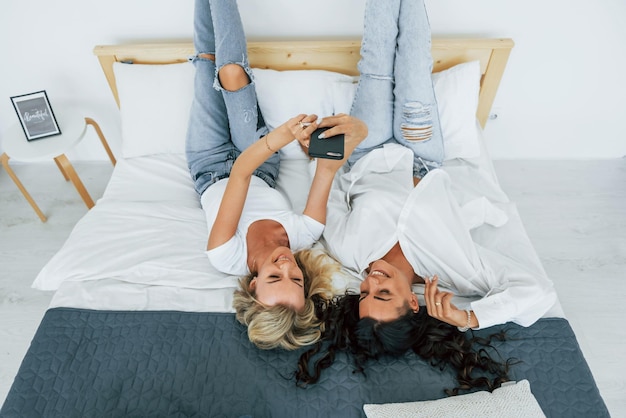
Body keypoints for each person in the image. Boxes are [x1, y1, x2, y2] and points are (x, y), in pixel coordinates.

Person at [296, 0, 557, 393]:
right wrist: (470, 317)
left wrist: (315, 153)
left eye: (366, 292)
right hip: (422, 155)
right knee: (414, 62)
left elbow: (327, 191)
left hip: (368, 150)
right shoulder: (455, 269)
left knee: (377, 62)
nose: (372, 279)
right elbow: (539, 293)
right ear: (413, 303)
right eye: (384, 292)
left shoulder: (349, 253)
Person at [185, 0, 367, 350]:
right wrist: (326, 139)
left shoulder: (226, 256)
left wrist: (280, 136)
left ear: (253, 286)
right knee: (232, 73)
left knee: (205, 67)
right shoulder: (305, 235)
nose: (286, 265)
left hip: (211, 167)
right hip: (262, 167)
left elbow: (238, 175)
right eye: (295, 278)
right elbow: (326, 168)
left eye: (273, 276)